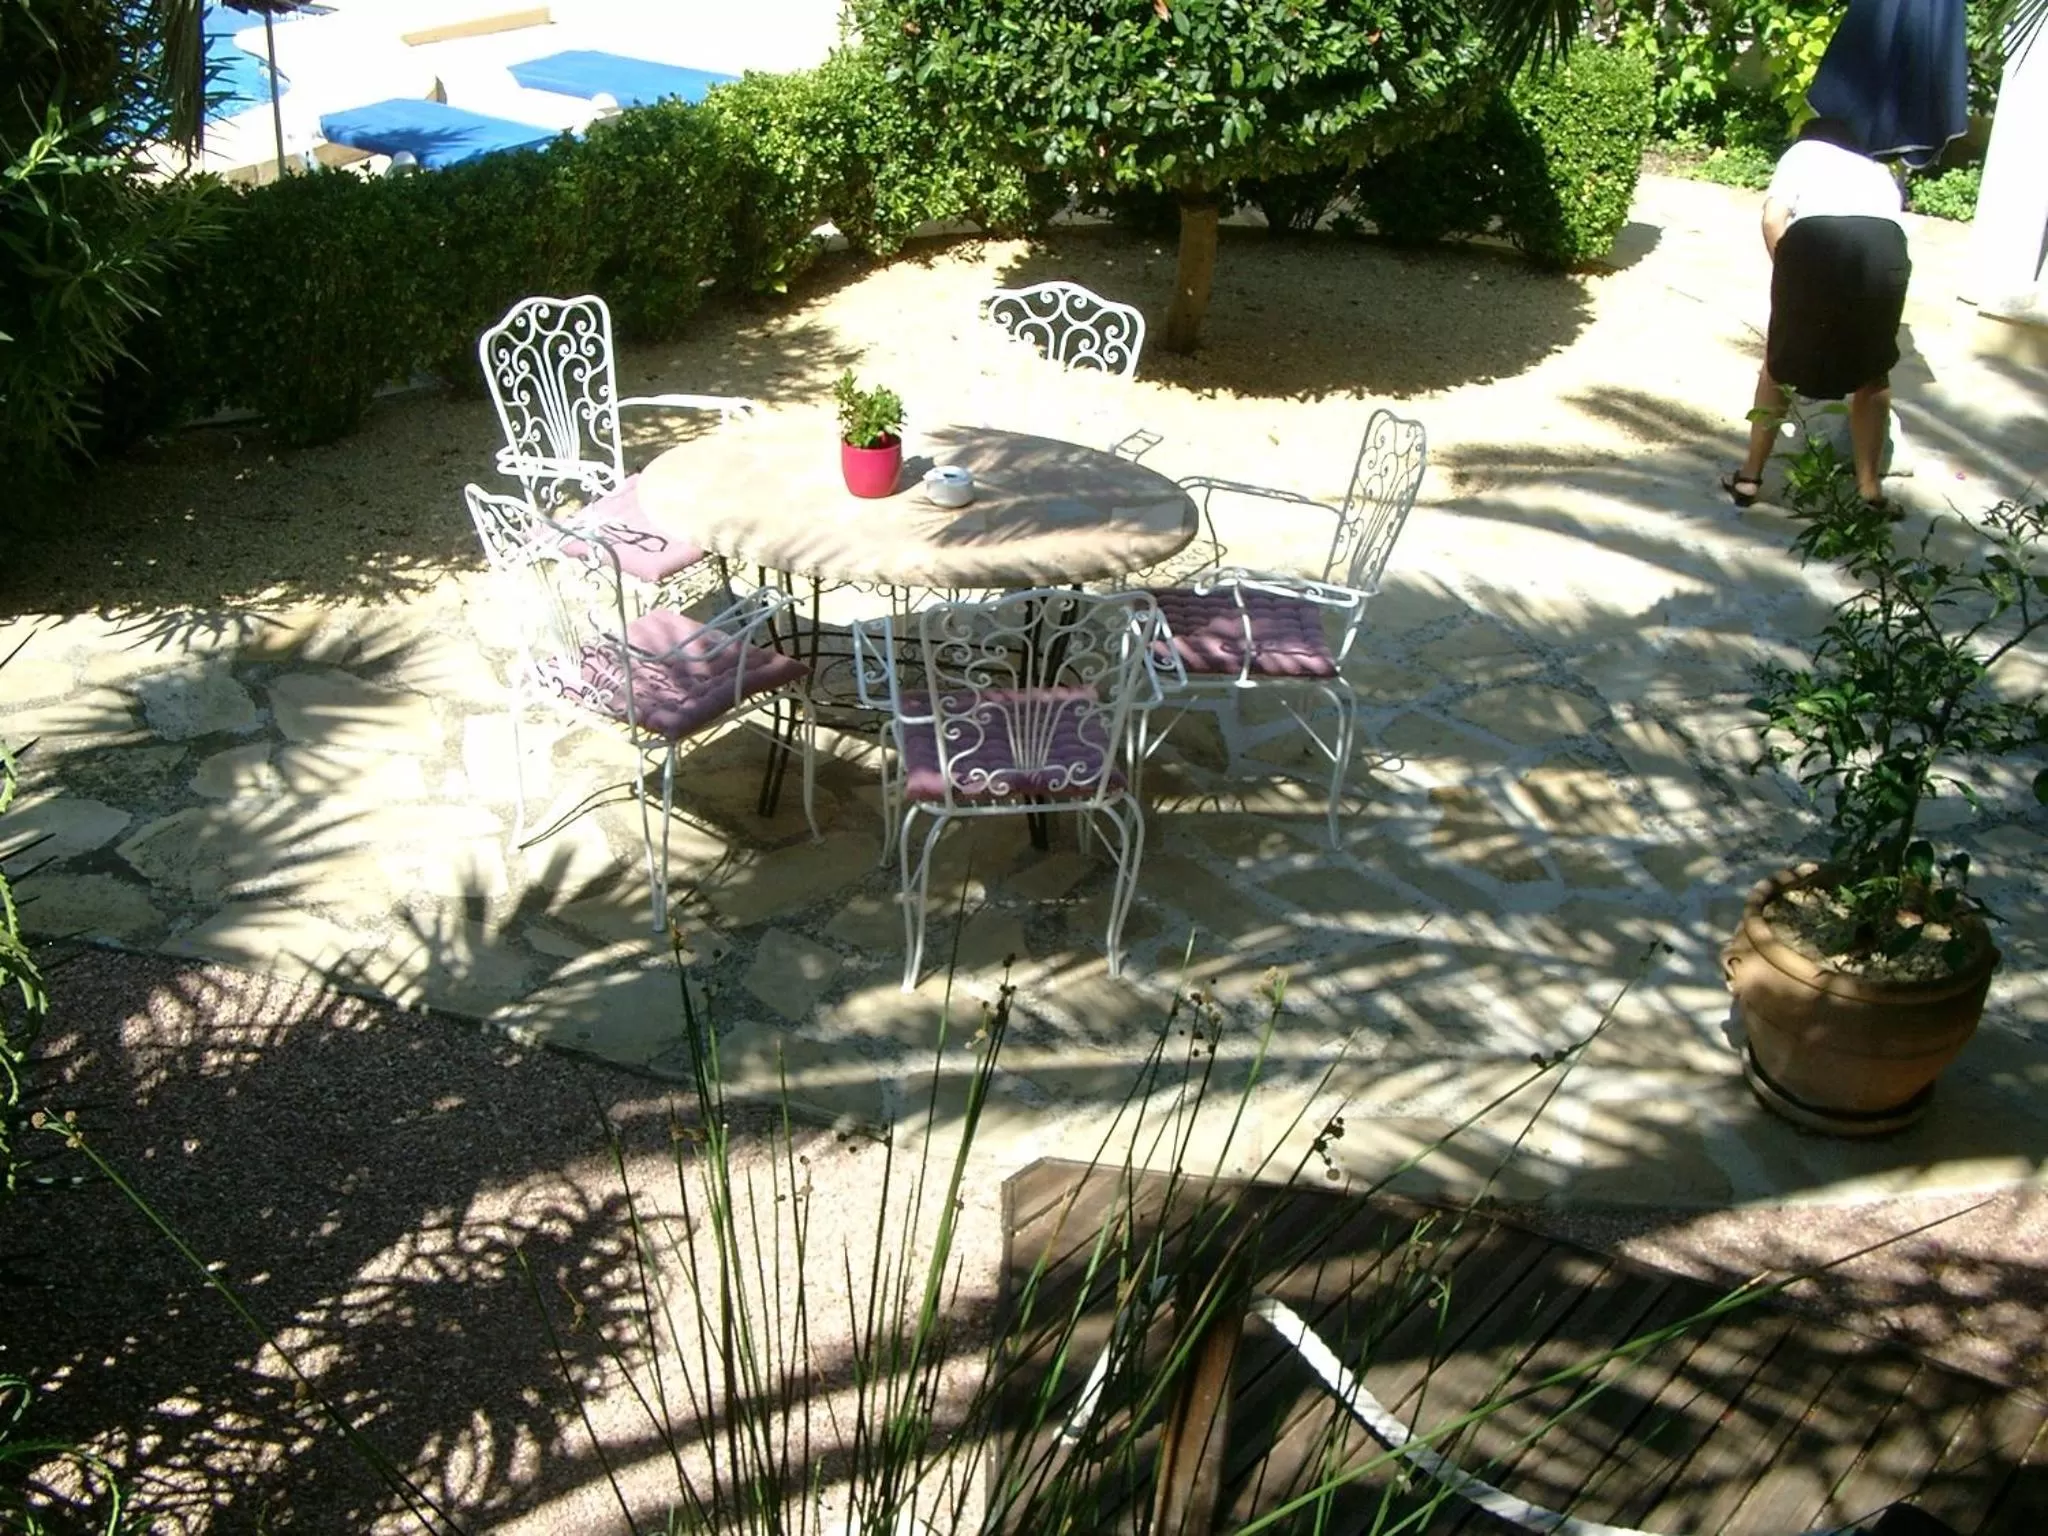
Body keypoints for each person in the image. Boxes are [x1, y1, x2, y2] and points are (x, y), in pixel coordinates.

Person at [1724, 116, 1912, 510]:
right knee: (1873, 373)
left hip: (1818, 242)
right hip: (1885, 250)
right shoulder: (1877, 167)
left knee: (1777, 366)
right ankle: (1869, 490)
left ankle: (1749, 478)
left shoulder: (1803, 152)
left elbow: (1773, 219)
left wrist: (1791, 276)